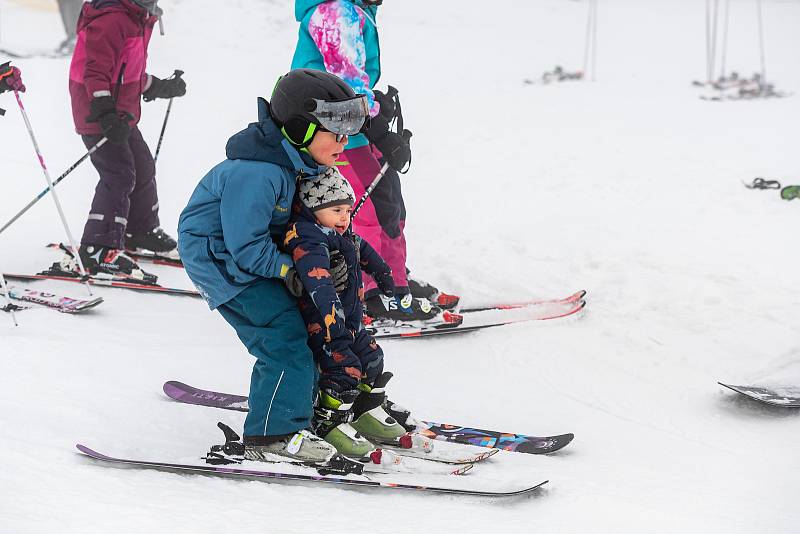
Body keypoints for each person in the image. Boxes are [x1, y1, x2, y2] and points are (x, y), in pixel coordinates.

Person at [177, 69, 371, 464]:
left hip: (256, 257)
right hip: (224, 265)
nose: (345, 141)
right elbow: (245, 247)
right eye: (335, 131)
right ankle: (272, 433)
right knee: (284, 337)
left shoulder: (300, 163)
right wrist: (291, 272)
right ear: (300, 130)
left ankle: (309, 409)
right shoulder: (258, 172)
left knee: (315, 326)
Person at [291, 0, 460, 322]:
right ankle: (370, 292)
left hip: (351, 125)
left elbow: (355, 80)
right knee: (363, 213)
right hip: (330, 130)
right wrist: (377, 126)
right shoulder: (334, 12)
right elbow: (345, 81)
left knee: (389, 205)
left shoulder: (356, 10)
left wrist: (377, 107)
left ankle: (394, 280)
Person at [55, 0, 185, 282]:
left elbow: (127, 70)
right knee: (120, 173)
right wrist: (103, 110)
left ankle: (139, 231)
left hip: (120, 113)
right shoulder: (113, 18)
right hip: (97, 112)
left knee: (142, 166)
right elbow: (96, 70)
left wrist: (159, 86)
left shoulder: (137, 16)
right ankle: (98, 247)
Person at [283, 166, 409, 457]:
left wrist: (384, 274)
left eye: (348, 209)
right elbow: (319, 283)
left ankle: (363, 411)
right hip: (325, 324)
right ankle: (328, 421)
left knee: (373, 358)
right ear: (315, 209)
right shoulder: (308, 238)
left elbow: (362, 249)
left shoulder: (341, 233)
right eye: (337, 209)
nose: (345, 216)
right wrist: (330, 316)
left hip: (350, 322)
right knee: (344, 370)